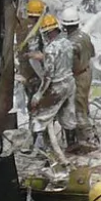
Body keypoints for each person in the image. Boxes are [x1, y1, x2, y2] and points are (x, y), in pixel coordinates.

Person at [28, 14, 78, 152]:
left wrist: (39, 94)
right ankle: (72, 145)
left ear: (48, 32)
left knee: (40, 117)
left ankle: (40, 151)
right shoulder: (68, 43)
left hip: (58, 86)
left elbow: (48, 75)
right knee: (68, 116)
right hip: (70, 82)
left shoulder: (50, 49)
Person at [61, 6, 97, 149]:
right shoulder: (85, 37)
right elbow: (92, 54)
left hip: (78, 76)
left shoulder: (70, 43)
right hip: (87, 72)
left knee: (79, 107)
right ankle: (84, 135)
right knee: (83, 103)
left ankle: (89, 139)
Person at [17, 0, 47, 105]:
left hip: (24, 70)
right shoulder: (36, 29)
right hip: (35, 72)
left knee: (31, 101)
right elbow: (34, 56)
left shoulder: (22, 25)